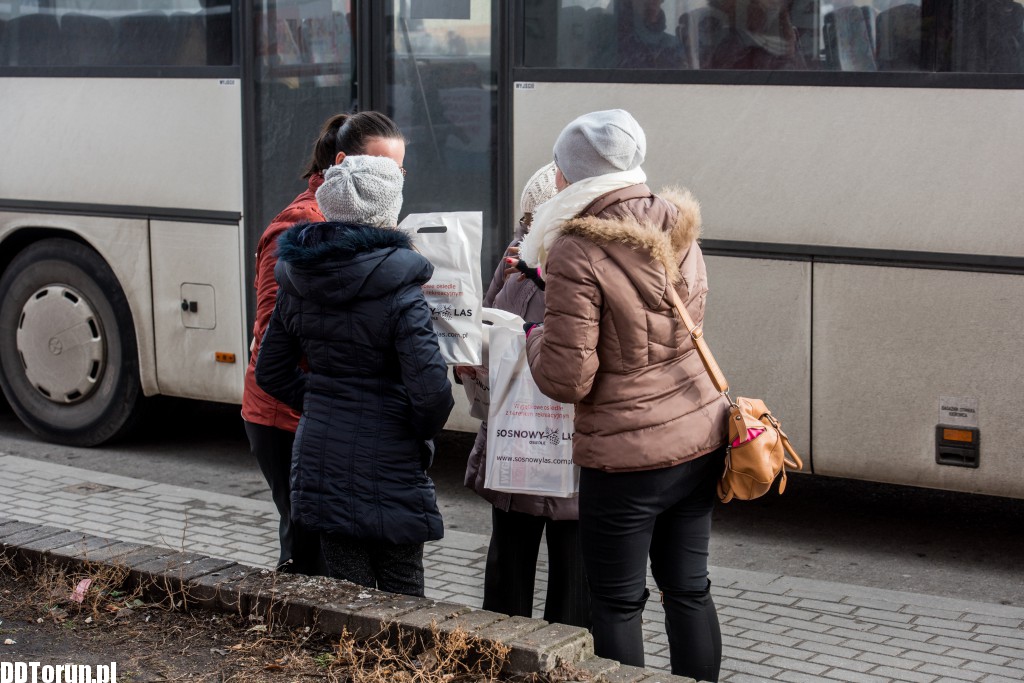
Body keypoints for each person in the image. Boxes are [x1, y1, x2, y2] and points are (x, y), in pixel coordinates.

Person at [518, 109, 730, 681]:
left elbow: (568, 379)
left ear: (571, 176)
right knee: (688, 590)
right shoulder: (677, 221)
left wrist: (534, 336)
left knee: (615, 603)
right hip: (700, 433)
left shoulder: (574, 248)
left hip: (626, 455)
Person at [255, 153, 453, 597]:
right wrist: (408, 426)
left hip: (321, 451)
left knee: (348, 598)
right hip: (391, 457)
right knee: (404, 598)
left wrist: (323, 402)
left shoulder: (296, 279)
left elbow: (269, 371)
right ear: (387, 212)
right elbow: (433, 395)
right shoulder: (401, 288)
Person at [241, 111, 407, 575]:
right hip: (285, 417)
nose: (392, 181)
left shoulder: (356, 221)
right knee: (307, 546)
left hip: (316, 414)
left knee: (321, 543)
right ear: (343, 164)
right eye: (381, 169)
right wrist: (328, 397)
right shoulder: (300, 227)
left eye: (399, 170)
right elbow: (272, 335)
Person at [458, 163, 590, 628]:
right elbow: (487, 321)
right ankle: (500, 659)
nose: (528, 231)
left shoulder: (584, 263)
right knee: (508, 570)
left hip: (565, 446)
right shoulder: (516, 254)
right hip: (516, 442)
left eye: (538, 222)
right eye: (526, 222)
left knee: (572, 582)